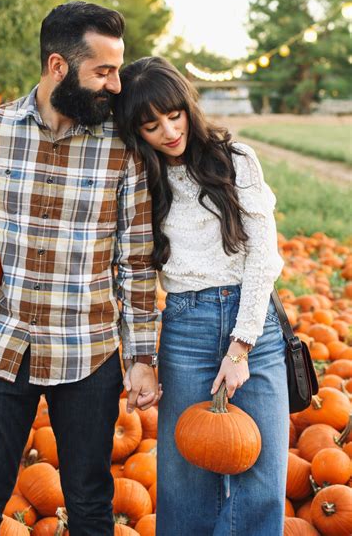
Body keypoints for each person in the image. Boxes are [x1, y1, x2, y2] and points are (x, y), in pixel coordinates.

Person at [0, 2, 162, 536]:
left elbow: (135, 262)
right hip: (2, 347)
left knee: (90, 503)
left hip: (87, 353)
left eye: (118, 69)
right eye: (103, 71)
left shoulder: (122, 147)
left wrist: (140, 358)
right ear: (58, 67)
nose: (116, 86)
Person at [112, 57, 288, 536]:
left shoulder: (237, 160)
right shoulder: (142, 179)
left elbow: (264, 257)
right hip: (186, 326)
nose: (169, 131)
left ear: (189, 106)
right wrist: (139, 356)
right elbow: (135, 272)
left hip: (255, 326)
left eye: (174, 115)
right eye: (151, 125)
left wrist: (241, 345)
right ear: (136, 131)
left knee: (263, 474)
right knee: (183, 478)